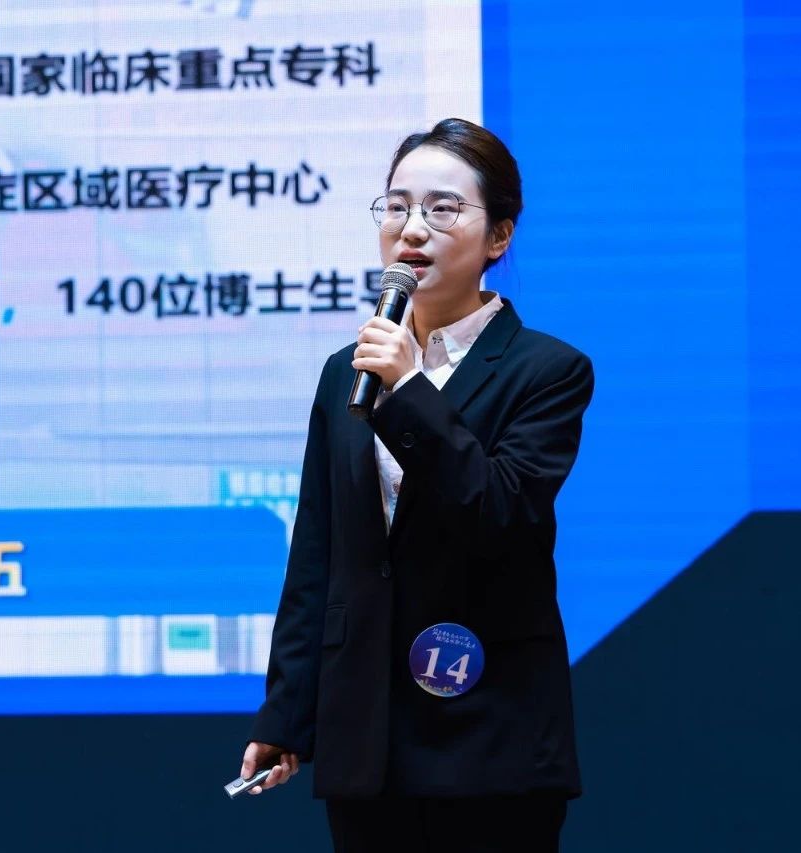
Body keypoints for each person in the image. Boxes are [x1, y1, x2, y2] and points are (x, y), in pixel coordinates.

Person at [238, 117, 594, 852]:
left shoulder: (548, 371)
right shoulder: (347, 371)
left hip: (489, 732)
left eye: (442, 208)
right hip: (366, 740)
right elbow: (318, 554)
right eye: (397, 206)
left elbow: (500, 513)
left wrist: (407, 390)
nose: (412, 228)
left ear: (498, 236)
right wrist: (287, 715)